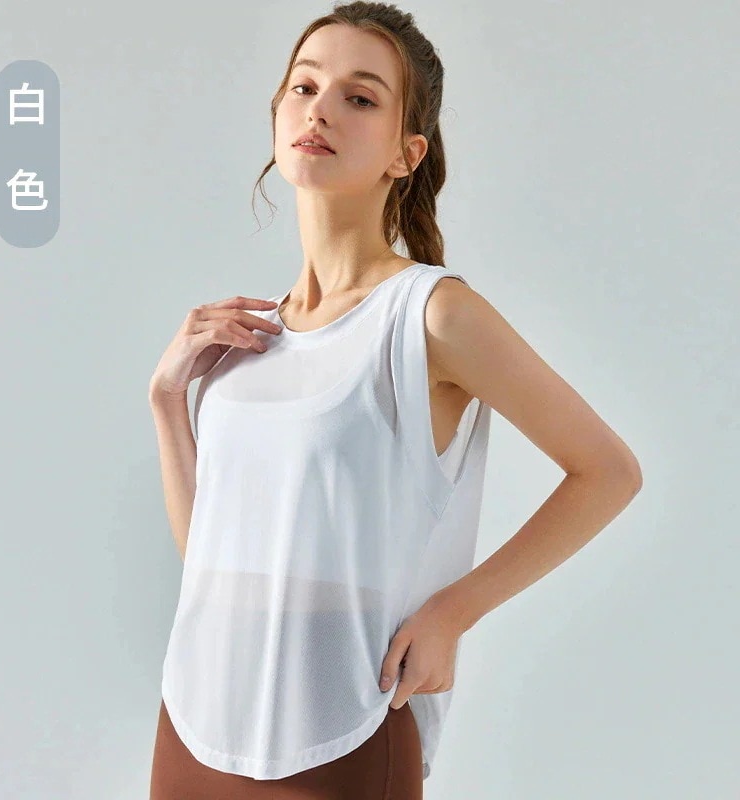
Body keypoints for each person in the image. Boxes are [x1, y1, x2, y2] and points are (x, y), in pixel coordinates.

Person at [147, 3, 643, 798]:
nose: (320, 109)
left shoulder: (430, 315)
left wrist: (454, 612)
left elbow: (608, 472)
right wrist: (168, 401)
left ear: (406, 153)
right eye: (304, 87)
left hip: (341, 722)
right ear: (276, 114)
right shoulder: (245, 341)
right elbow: (209, 560)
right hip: (194, 723)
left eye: (360, 97)